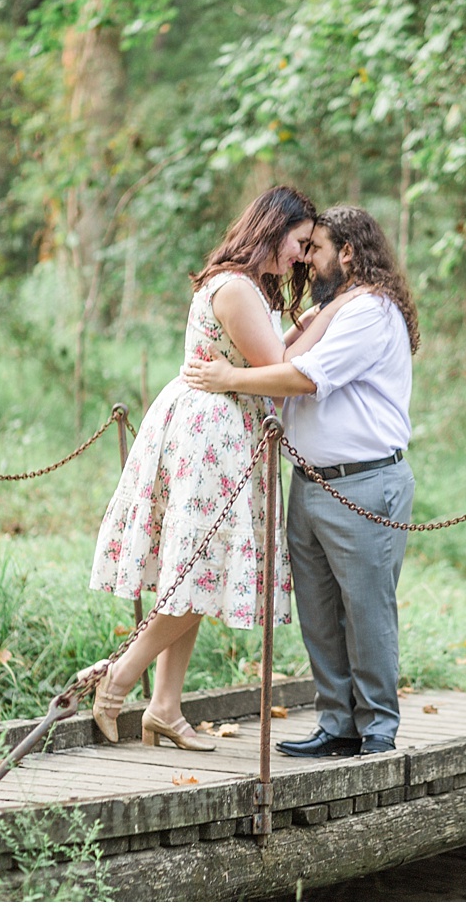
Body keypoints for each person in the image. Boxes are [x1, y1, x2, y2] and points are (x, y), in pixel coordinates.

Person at [85, 186, 366, 751]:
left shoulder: (243, 286)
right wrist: (328, 316)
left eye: (313, 246)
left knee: (199, 570)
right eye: (301, 242)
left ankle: (164, 707)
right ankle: (119, 677)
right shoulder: (236, 288)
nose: (305, 256)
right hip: (213, 435)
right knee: (196, 571)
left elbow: (260, 355)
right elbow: (280, 369)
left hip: (225, 430)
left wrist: (306, 318)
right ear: (273, 228)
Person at [184, 204, 418, 758]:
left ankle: (378, 727)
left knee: (366, 609)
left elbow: (304, 378)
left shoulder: (370, 310)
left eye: (316, 249)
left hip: (363, 483)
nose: (306, 261)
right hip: (310, 482)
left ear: (349, 252)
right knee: (318, 612)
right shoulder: (334, 308)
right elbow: (289, 351)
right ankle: (337, 722)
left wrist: (228, 376)